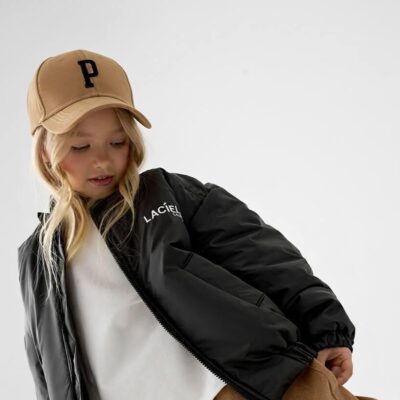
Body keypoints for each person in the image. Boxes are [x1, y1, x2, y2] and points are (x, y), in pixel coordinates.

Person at [18, 49, 378, 400]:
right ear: (45, 151)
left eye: (117, 141)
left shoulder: (167, 197)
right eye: (80, 146)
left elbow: (263, 255)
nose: (103, 160)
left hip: (246, 384)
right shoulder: (38, 259)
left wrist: (327, 328)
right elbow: (46, 364)